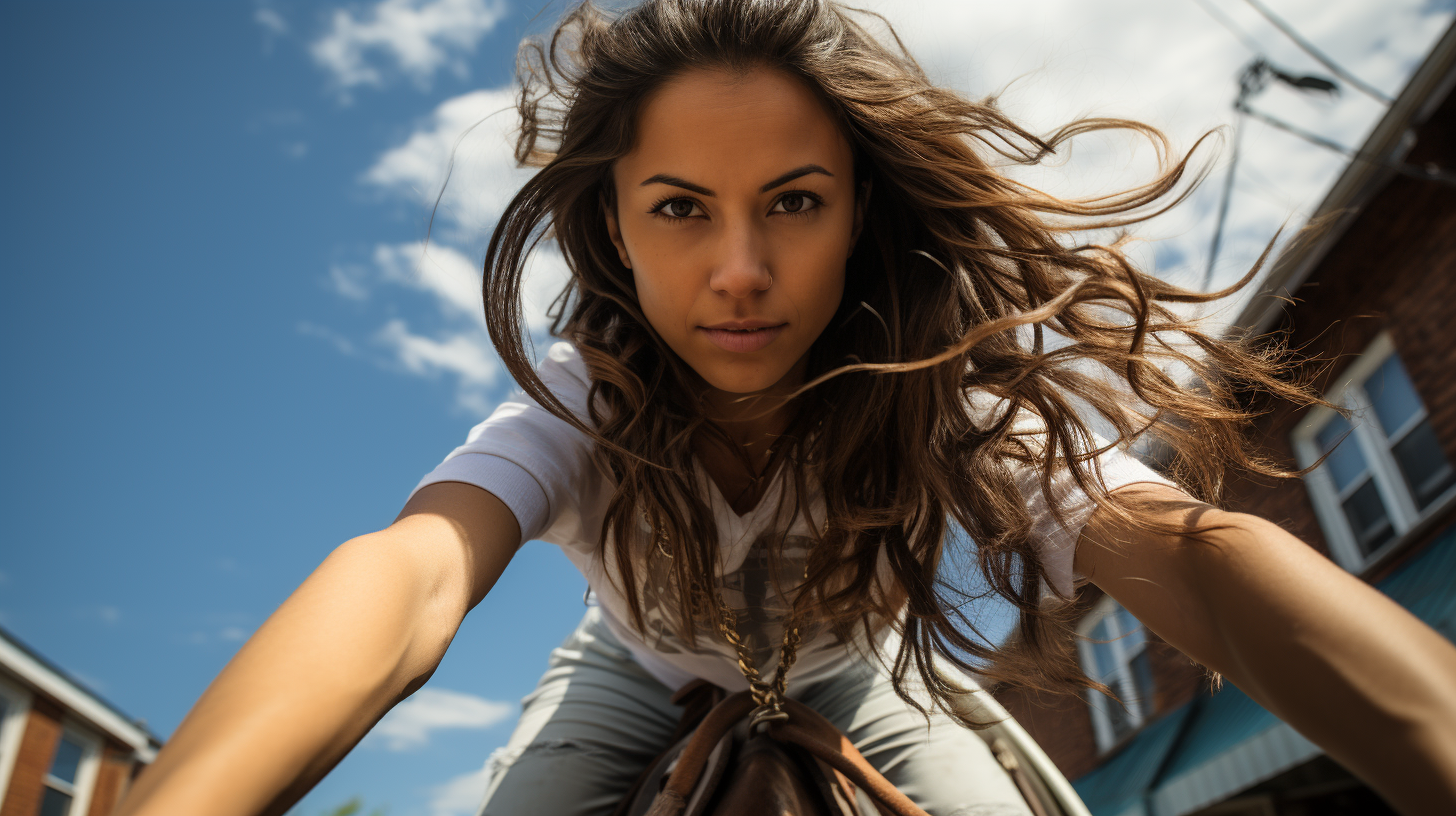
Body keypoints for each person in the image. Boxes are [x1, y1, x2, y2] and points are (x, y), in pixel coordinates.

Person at [116, 1, 1456, 814]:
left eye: (795, 204)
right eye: (682, 211)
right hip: (626, 676)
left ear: (859, 214)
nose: (742, 273)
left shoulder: (938, 398)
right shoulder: (580, 403)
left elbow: (1185, 561)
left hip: (863, 677)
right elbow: (409, 582)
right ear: (615, 232)